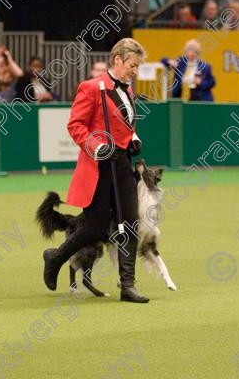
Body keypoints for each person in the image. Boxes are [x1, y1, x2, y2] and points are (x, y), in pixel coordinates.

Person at [42, 38, 149, 303]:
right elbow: (76, 125)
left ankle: (128, 286)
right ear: (117, 60)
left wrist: (133, 138)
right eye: (132, 66)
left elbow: (124, 125)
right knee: (95, 227)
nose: (135, 71)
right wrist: (97, 146)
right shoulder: (90, 88)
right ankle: (55, 257)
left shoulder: (128, 90)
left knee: (131, 222)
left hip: (122, 164)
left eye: (137, 67)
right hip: (99, 166)